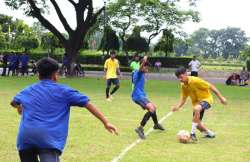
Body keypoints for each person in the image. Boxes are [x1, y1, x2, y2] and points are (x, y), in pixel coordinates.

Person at [10, 57, 118, 162]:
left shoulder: (28, 89)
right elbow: (88, 104)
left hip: (26, 138)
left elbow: (14, 102)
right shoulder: (64, 91)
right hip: (48, 140)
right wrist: (106, 122)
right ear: (55, 75)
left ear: (38, 75)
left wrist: (20, 107)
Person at [171, 67, 227, 142]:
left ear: (185, 74)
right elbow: (183, 98)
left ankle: (192, 134)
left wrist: (221, 98)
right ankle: (210, 134)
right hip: (197, 104)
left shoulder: (196, 80)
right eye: (178, 78)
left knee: (197, 108)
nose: (180, 79)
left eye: (181, 77)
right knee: (197, 124)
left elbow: (211, 86)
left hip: (206, 99)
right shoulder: (183, 85)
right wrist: (177, 107)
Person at [132, 56, 165, 139]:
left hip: (141, 95)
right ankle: (140, 128)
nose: (147, 69)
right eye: (146, 68)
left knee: (153, 108)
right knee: (151, 109)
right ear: (142, 66)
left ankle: (156, 124)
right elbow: (140, 68)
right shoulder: (138, 72)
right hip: (137, 96)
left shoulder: (142, 74)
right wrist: (144, 61)